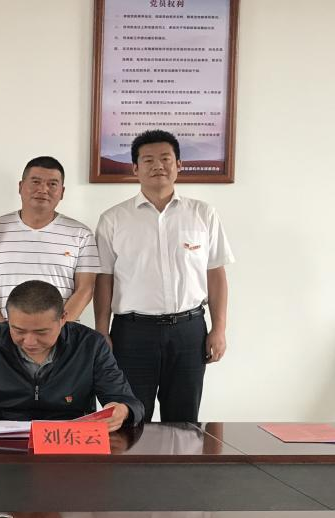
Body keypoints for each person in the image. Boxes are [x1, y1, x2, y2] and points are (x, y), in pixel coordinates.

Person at [94, 130, 234, 423]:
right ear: (135, 168)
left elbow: (215, 274)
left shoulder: (203, 214)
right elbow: (104, 279)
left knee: (184, 421)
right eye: (148, 160)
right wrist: (102, 331)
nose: (158, 165)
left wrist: (219, 329)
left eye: (165, 158)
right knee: (130, 418)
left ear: (179, 164)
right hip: (132, 333)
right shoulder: (113, 219)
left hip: (189, 330)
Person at [0, 280, 143, 431]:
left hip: (68, 443)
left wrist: (123, 410)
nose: (30, 341)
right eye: (19, 330)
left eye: (41, 332)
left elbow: (127, 401)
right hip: (1, 444)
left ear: (63, 318)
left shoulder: (90, 344)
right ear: (8, 319)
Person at [0, 156, 100, 324]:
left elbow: (85, 289)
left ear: (62, 192)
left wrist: (58, 327)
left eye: (52, 184)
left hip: (62, 332)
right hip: (6, 330)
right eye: (35, 182)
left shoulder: (81, 234)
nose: (43, 189)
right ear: (20, 187)